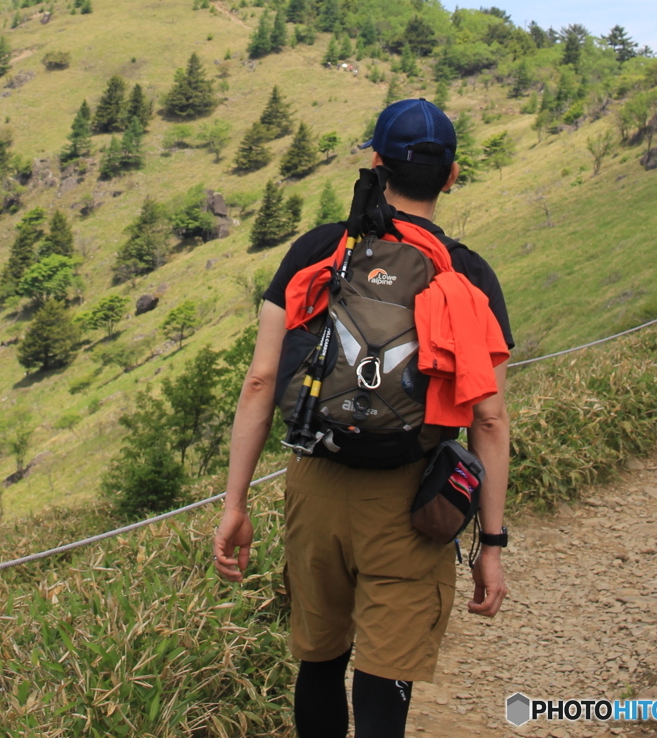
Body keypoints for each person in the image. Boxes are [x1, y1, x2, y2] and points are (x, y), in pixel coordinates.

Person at [213, 98, 512, 738]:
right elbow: (488, 421)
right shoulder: (469, 275)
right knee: (384, 680)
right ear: (452, 175)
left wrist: (235, 503)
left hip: (315, 488)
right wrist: (490, 544)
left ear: (376, 162)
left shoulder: (318, 252)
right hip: (413, 502)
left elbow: (262, 379)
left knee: (319, 662)